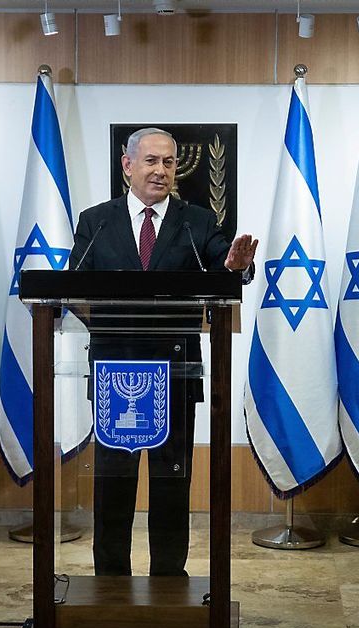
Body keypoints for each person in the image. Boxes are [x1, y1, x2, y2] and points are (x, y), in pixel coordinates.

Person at [69, 128, 257, 577]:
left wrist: (233, 267)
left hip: (175, 370)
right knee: (114, 482)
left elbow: (221, 264)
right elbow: (72, 284)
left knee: (172, 481)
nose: (161, 171)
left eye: (169, 162)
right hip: (116, 372)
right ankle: (110, 579)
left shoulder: (197, 222)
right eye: (152, 161)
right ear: (127, 165)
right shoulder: (96, 221)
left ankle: (169, 578)